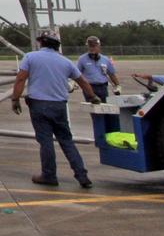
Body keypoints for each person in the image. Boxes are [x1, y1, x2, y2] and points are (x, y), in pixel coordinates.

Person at [9, 26, 99, 188]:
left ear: (42, 43)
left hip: (38, 105)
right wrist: (93, 97)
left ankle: (49, 175)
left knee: (46, 142)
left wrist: (15, 99)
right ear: (57, 45)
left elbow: (21, 79)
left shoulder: (30, 57)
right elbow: (83, 81)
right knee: (66, 141)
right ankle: (82, 176)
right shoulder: (65, 62)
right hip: (59, 106)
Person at [75, 36, 119, 102]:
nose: (92, 48)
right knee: (94, 109)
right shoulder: (82, 59)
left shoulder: (105, 59)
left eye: (94, 46)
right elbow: (77, 73)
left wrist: (117, 85)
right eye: (90, 46)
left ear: (98, 46)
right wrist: (74, 83)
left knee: (105, 108)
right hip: (89, 88)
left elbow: (111, 74)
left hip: (103, 88)